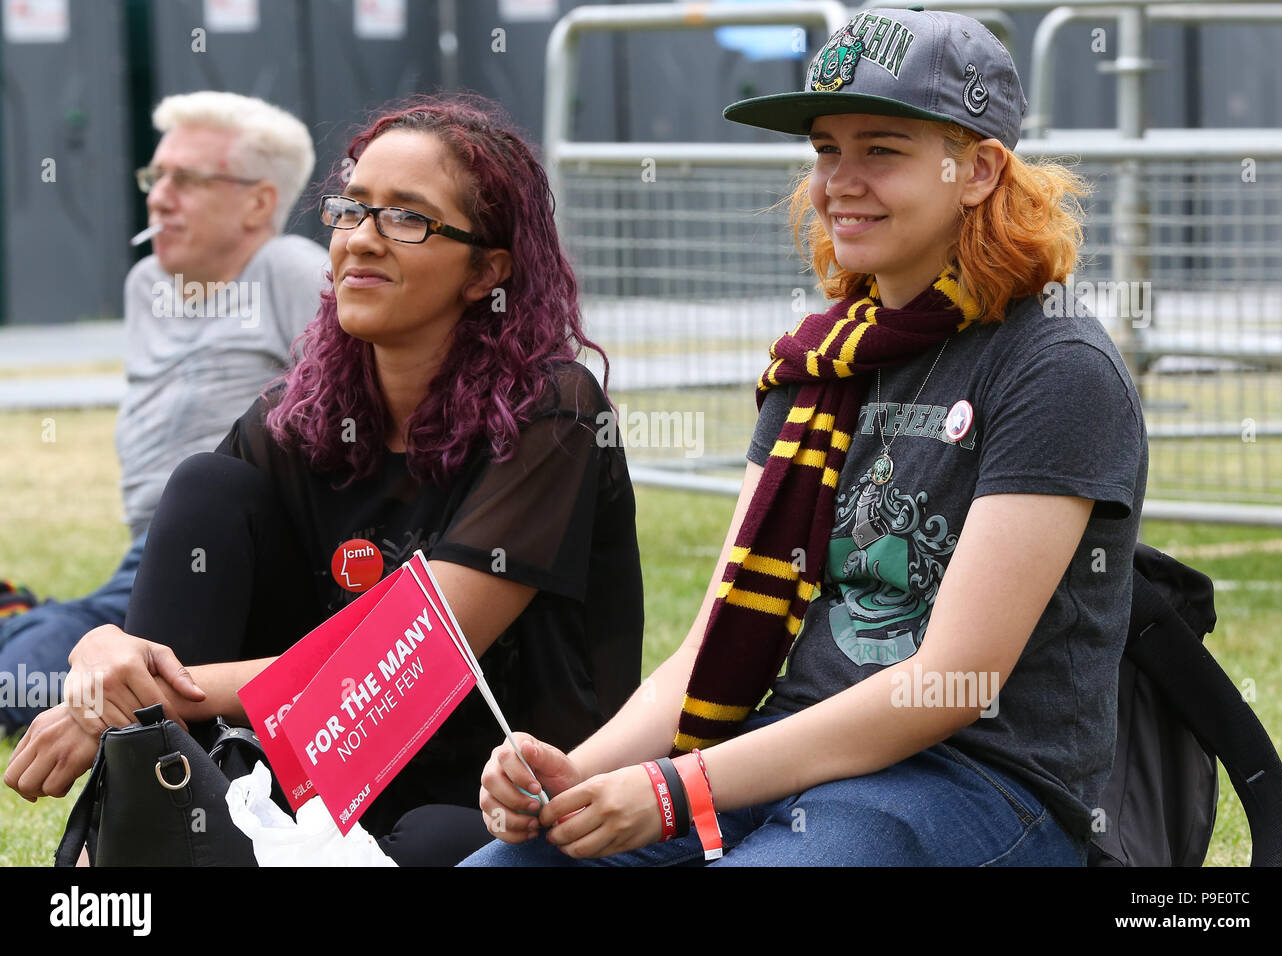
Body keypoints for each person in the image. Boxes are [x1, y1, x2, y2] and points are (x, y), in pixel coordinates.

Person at [464, 8, 1148, 867]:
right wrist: (569, 779)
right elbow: (704, 648)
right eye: (827, 149)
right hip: (784, 759)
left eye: (882, 149)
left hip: (977, 783)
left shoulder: (1057, 365)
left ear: (978, 170)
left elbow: (946, 685)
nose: (839, 182)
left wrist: (682, 788)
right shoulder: (816, 365)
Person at [4, 93, 644, 867]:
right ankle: (146, 826)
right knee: (207, 489)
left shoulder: (553, 411)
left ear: (488, 272)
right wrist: (108, 654)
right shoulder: (301, 414)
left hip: (491, 798)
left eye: (407, 219)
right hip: (317, 780)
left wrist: (141, 693)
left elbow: (410, 657)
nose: (362, 241)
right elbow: (169, 630)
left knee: (436, 844)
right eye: (351, 210)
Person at [0, 91, 326, 734]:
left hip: (219, 557)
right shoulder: (148, 283)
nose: (158, 196)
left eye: (188, 179)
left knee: (23, 682)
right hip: (143, 553)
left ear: (259, 202)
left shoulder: (290, 270)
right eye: (156, 176)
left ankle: (30, 621)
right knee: (41, 660)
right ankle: (38, 619)